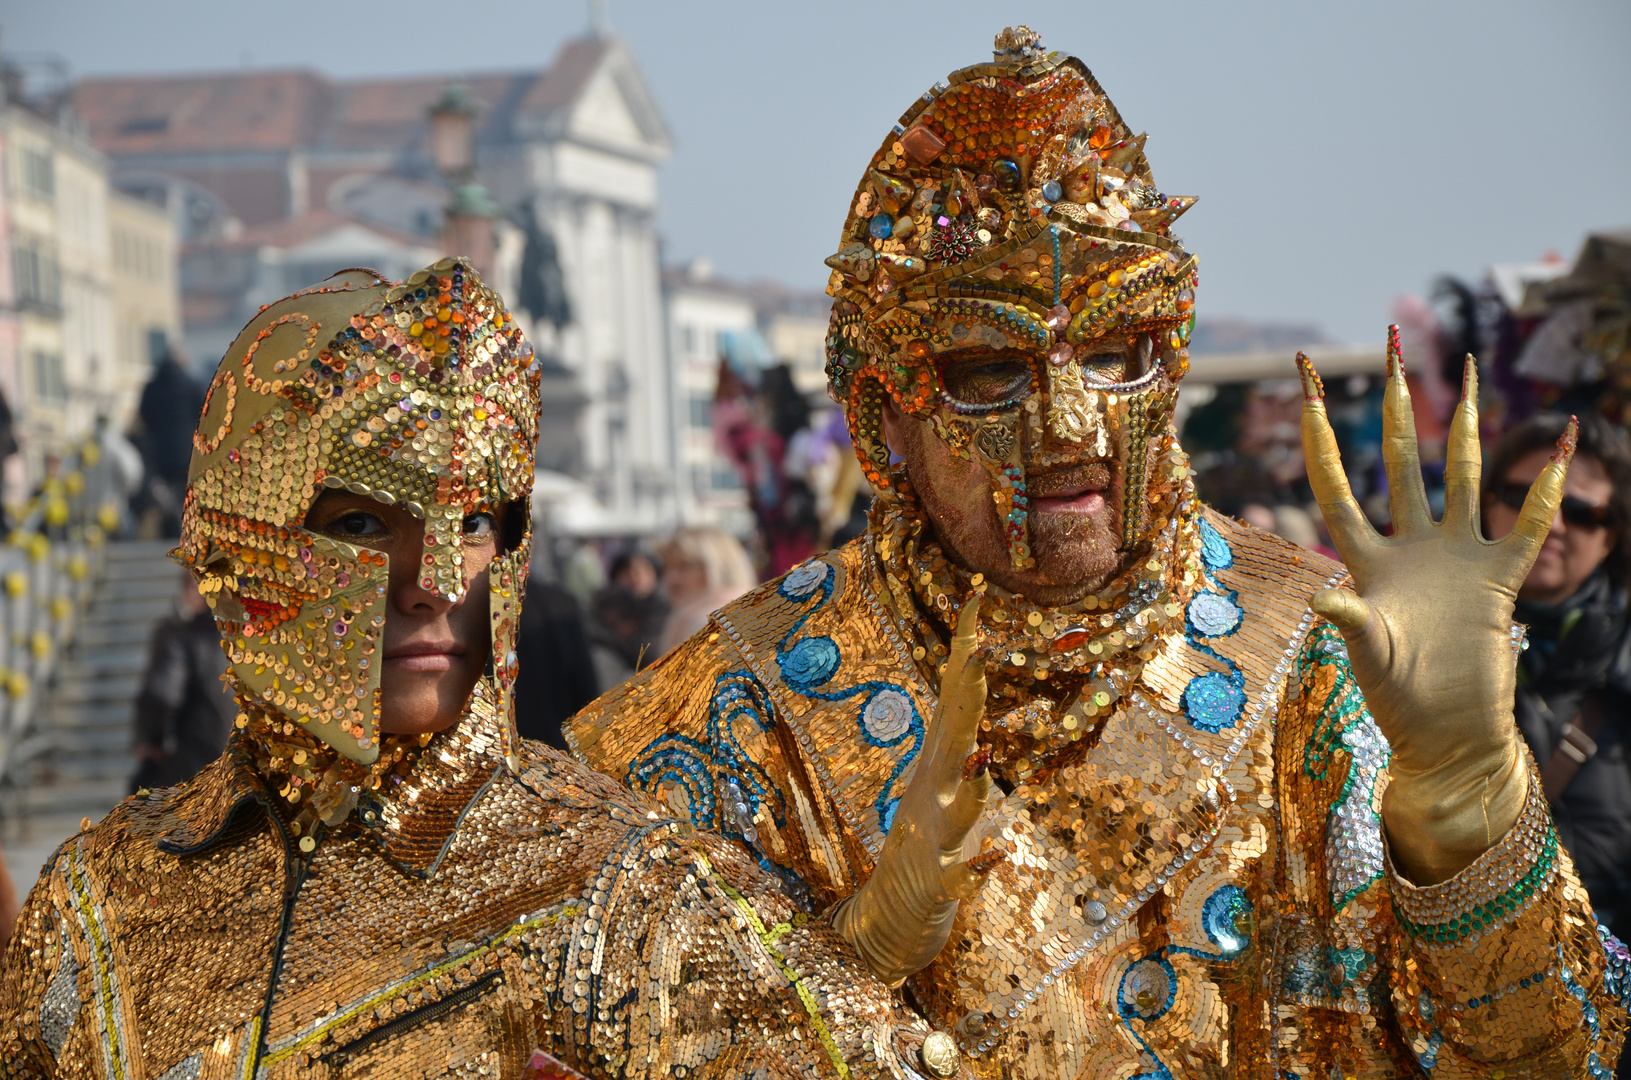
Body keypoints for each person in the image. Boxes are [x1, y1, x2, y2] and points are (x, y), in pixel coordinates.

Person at [569, 28, 1630, 1077]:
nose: (1071, 427)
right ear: (878, 417)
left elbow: (1556, 1057)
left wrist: (1470, 813)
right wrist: (860, 949)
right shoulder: (737, 710)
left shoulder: (1328, 653)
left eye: (1116, 355)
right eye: (991, 370)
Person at [0, 258, 996, 1077]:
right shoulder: (105, 896)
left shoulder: (621, 887)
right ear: (239, 547)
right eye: (359, 523)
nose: (434, 582)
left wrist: (862, 948)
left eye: (472, 524)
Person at [1485, 415, 1631, 945]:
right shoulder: (1406, 651)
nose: (1551, 520)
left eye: (1582, 511)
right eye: (1526, 496)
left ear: (1612, 536)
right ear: (1486, 504)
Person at [130, 571, 238, 791]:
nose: (191, 591)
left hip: (197, 766)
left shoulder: (184, 638)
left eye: (196, 584)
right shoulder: (252, 640)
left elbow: (160, 694)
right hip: (245, 772)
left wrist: (151, 741)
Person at [654, 526, 756, 655]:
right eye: (668, 567)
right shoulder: (687, 618)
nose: (671, 579)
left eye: (684, 566)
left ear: (717, 567)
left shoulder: (713, 626)